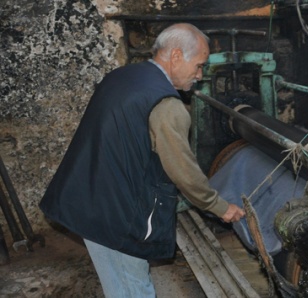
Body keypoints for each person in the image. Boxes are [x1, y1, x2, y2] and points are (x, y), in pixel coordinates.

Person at [39, 23, 245, 297]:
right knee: (133, 288)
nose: (200, 74)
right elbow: (182, 170)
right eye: (198, 65)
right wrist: (220, 207)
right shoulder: (167, 106)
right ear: (174, 56)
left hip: (87, 197)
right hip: (115, 217)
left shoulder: (123, 76)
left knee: (119, 283)